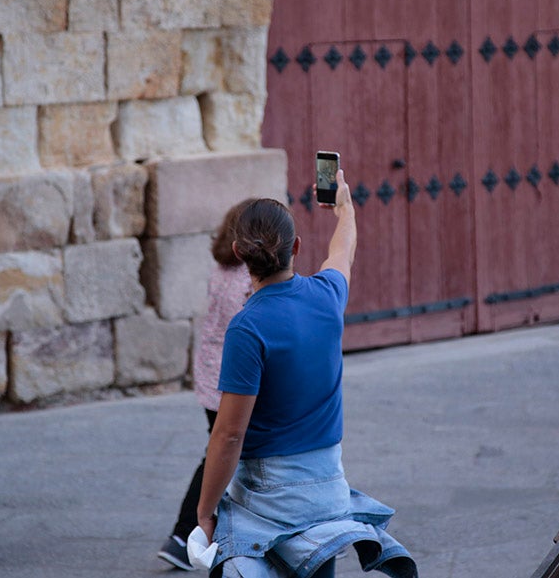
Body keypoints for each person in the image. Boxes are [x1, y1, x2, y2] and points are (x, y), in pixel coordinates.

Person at [195, 170, 418, 578]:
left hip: (268, 495)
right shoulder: (328, 296)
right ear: (296, 247)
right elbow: (342, 250)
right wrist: (344, 208)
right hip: (328, 487)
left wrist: (204, 511)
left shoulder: (247, 327)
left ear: (239, 253)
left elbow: (228, 434)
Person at [158, 199, 254, 571]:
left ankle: (191, 536)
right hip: (232, 380)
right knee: (223, 455)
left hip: (211, 374)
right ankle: (184, 535)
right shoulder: (247, 278)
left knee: (231, 453)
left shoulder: (221, 267)